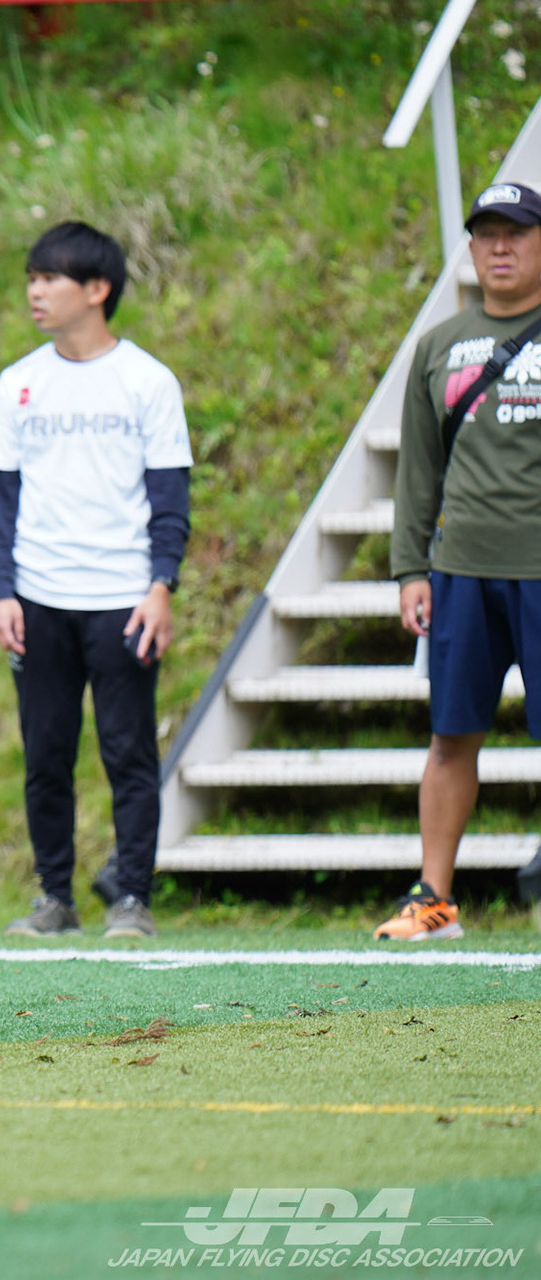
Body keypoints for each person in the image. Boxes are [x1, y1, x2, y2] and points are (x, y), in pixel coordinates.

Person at [0, 221, 191, 940]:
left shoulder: (148, 381)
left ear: (97, 289)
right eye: (31, 278)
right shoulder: (18, 383)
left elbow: (170, 497)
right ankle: (54, 897)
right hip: (38, 599)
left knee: (129, 753)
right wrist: (1, 590)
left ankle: (132, 898)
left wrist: (161, 585)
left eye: (50, 279)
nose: (35, 291)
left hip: (124, 600)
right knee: (46, 756)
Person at [383, 181, 541, 941]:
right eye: (487, 234)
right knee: (450, 737)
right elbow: (419, 470)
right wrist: (410, 569)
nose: (500, 247)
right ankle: (433, 899)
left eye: (517, 233)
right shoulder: (440, 344)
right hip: (462, 573)